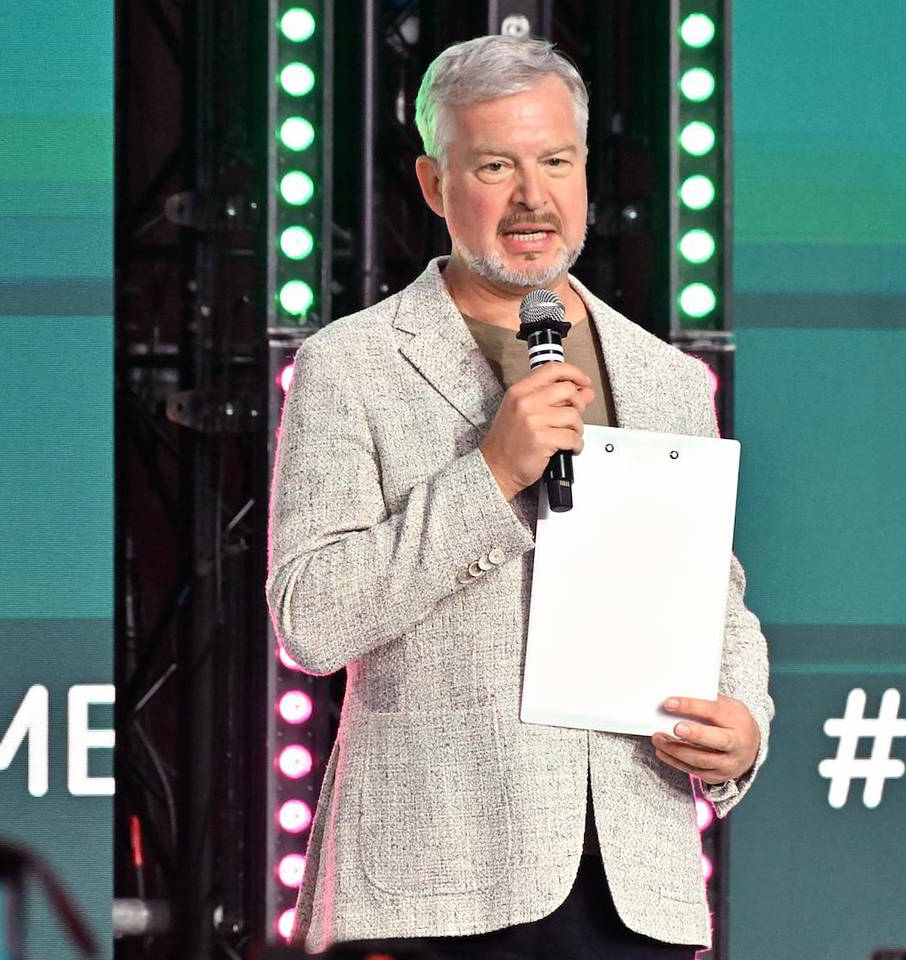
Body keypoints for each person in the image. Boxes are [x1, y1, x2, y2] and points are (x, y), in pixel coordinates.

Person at [265, 34, 773, 959]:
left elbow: (716, 598)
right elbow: (312, 617)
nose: (533, 197)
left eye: (556, 162)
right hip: (433, 882)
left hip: (633, 890)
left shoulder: (665, 377)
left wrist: (743, 726)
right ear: (434, 184)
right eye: (496, 166)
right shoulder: (351, 365)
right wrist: (492, 476)